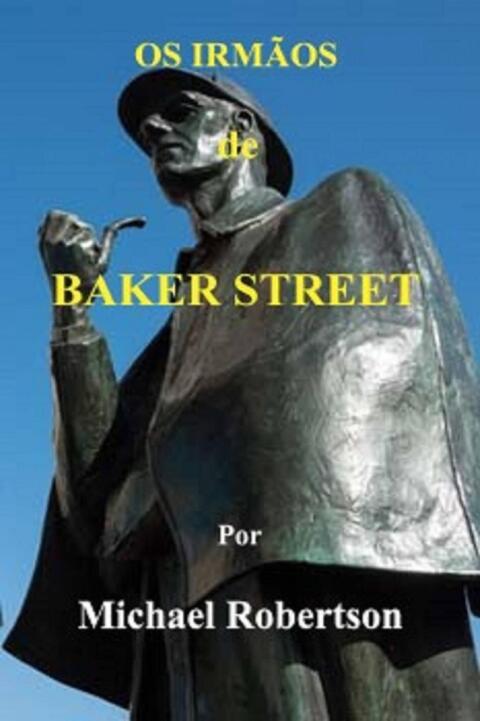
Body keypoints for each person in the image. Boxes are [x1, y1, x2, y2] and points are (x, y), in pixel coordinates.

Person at [5, 68, 480, 720]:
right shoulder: (182, 328)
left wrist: (156, 489)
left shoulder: (339, 211)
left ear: (242, 128)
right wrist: (73, 310)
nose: (155, 130)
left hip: (308, 614)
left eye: (179, 111)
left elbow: (355, 387)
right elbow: (94, 506)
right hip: (189, 639)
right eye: (146, 132)